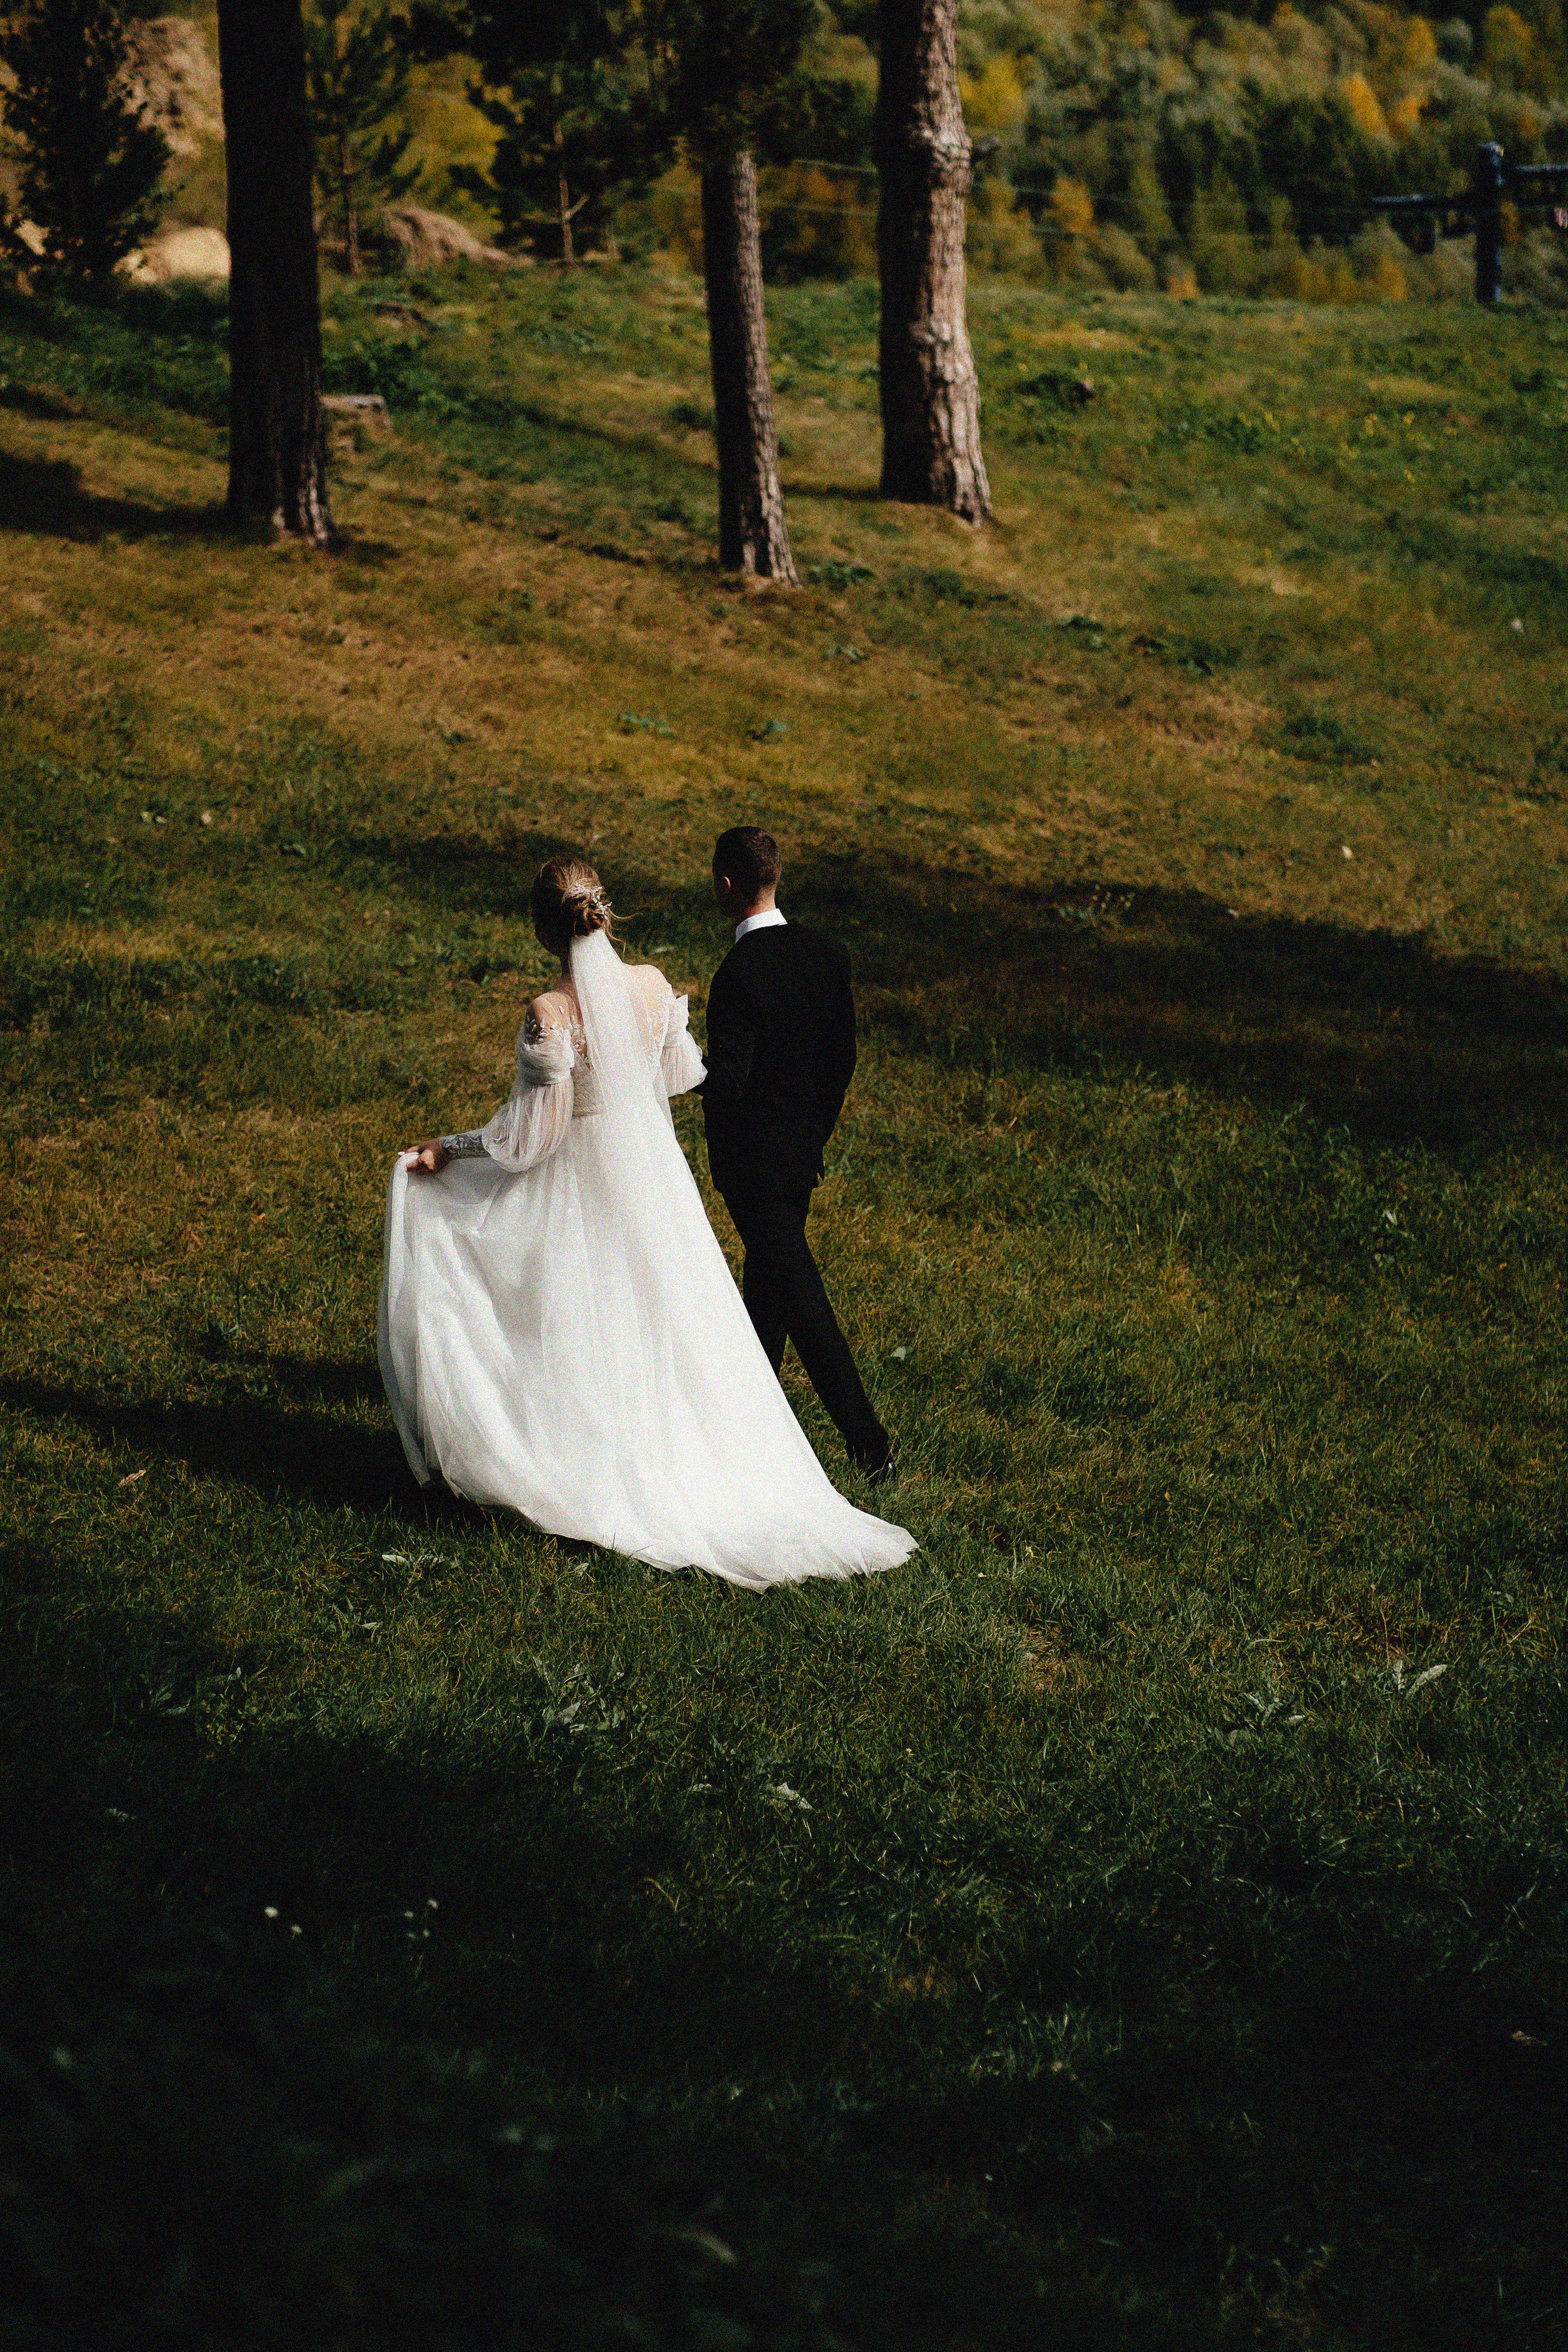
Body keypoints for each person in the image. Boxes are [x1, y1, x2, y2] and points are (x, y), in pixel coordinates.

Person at [377, 856, 914, 1592]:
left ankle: (580, 1459)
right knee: (662, 1314)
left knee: (575, 1313)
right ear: (604, 910)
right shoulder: (655, 987)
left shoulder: (550, 1013)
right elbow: (679, 1076)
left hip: (580, 1179)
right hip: (652, 1177)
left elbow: (529, 1139)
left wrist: (451, 1148)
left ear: (542, 928)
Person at [701, 826, 895, 1484]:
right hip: (801, 1154)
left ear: (728, 886)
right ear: (774, 877)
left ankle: (869, 1442)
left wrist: (671, 1062)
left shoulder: (739, 972)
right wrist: (815, 1131)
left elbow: (727, 1081)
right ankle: (748, 1431)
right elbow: (843, 1059)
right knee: (770, 1291)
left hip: (752, 1167)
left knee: (800, 1298)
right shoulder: (827, 954)